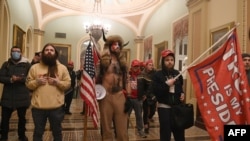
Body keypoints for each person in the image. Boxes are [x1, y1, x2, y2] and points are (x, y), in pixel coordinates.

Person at [25, 43, 71, 141]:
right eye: (46, 50)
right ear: (42, 53)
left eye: (51, 50)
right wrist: (36, 82)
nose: (49, 51)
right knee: (38, 132)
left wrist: (58, 82)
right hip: (38, 108)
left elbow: (68, 84)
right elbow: (28, 84)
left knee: (57, 133)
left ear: (55, 53)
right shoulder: (34, 68)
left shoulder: (62, 68)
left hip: (56, 108)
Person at [96, 33, 129, 141]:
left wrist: (129, 97)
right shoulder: (102, 62)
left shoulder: (123, 63)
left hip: (120, 96)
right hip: (105, 96)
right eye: (115, 44)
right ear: (110, 46)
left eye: (119, 44)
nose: (117, 47)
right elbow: (95, 79)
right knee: (106, 128)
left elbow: (127, 80)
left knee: (122, 129)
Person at [151, 49, 185, 141]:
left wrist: (182, 93)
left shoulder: (177, 73)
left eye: (171, 60)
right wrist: (166, 85)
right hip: (164, 108)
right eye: (167, 60)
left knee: (180, 133)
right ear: (163, 61)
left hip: (177, 108)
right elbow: (155, 90)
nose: (170, 62)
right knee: (165, 134)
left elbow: (180, 87)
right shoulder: (157, 75)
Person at [0, 46, 31, 141]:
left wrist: (21, 79)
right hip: (8, 96)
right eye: (14, 51)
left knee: (22, 118)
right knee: (5, 119)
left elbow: (30, 78)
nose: (16, 53)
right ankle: (4, 136)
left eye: (18, 51)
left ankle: (21, 135)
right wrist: (10, 79)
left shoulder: (27, 65)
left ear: (21, 53)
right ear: (11, 53)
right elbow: (1, 77)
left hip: (22, 96)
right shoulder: (6, 64)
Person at [127, 59, 147, 138]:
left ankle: (140, 131)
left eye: (137, 66)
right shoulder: (127, 74)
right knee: (126, 116)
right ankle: (124, 131)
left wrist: (145, 94)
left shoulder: (142, 75)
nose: (136, 68)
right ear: (131, 66)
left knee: (139, 115)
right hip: (128, 98)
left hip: (138, 99)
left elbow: (148, 85)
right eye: (134, 66)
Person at [137, 59, 157, 134]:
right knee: (145, 112)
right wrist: (143, 95)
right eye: (150, 64)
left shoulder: (155, 73)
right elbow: (141, 86)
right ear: (146, 65)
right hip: (145, 95)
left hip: (152, 95)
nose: (151, 66)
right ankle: (146, 126)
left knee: (153, 111)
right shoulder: (142, 74)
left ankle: (149, 118)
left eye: (152, 65)